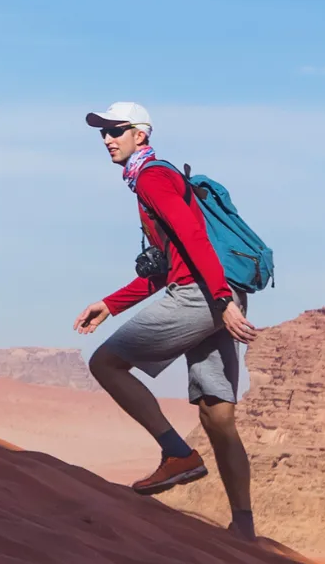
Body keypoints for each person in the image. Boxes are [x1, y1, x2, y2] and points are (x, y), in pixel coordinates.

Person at [71, 101, 263, 540]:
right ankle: (244, 528)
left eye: (116, 130)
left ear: (141, 135)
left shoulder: (154, 177)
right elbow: (167, 266)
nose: (107, 139)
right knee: (217, 417)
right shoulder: (156, 178)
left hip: (205, 295)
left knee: (106, 363)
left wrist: (219, 300)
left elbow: (195, 240)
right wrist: (113, 303)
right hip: (215, 293)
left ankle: (177, 454)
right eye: (102, 132)